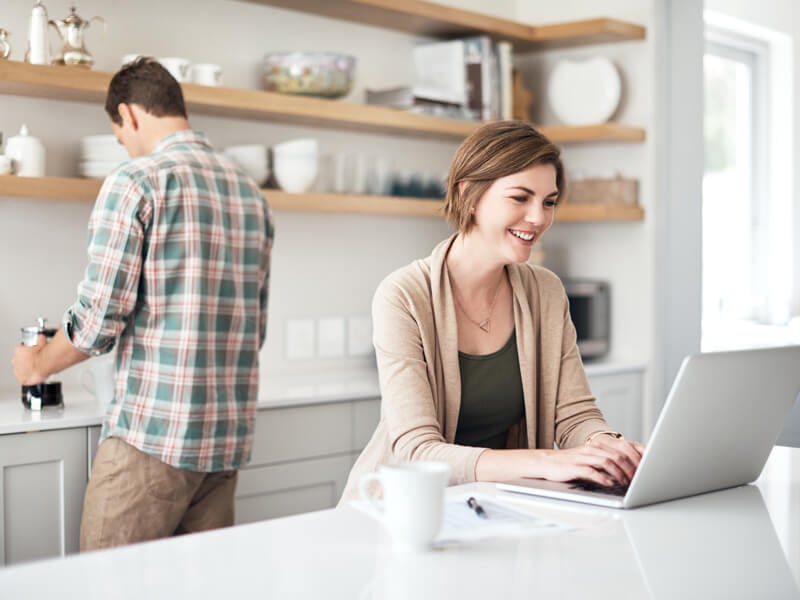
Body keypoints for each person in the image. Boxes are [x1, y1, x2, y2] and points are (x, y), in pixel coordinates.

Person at [11, 57, 274, 550]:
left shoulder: (138, 180)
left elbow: (97, 322)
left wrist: (37, 364)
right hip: (223, 449)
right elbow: (253, 330)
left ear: (129, 115)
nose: (124, 147)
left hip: (152, 443)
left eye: (119, 136)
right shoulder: (249, 193)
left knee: (105, 586)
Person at [339, 120, 644, 503]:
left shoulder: (545, 292)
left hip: (495, 507)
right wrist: (548, 461)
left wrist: (608, 448)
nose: (538, 217)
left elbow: (575, 415)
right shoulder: (404, 295)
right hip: (403, 512)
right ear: (470, 195)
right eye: (520, 198)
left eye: (549, 202)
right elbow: (416, 449)